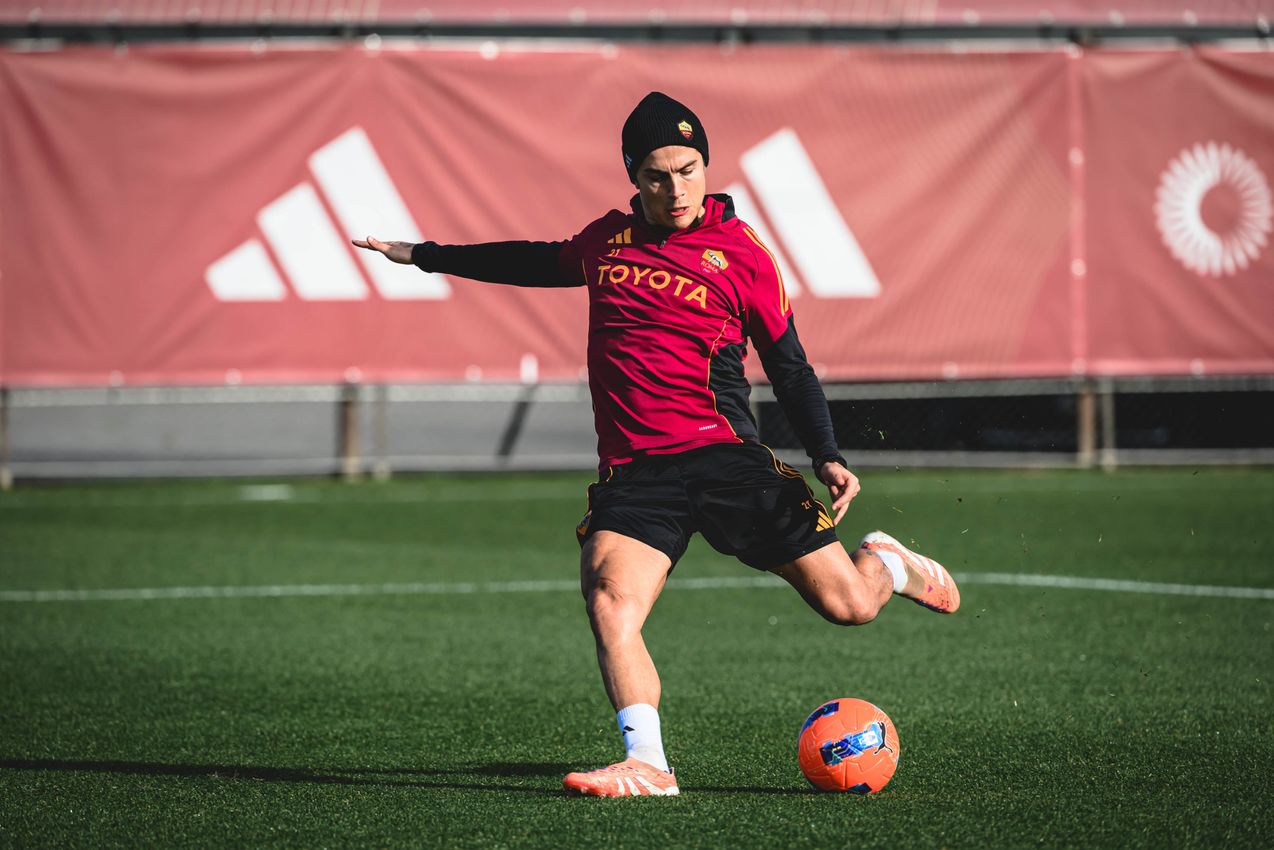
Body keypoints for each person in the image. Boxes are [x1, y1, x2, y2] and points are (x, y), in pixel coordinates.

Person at [354, 91, 960, 798]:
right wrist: (423, 256)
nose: (677, 189)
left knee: (850, 606)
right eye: (658, 175)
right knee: (611, 599)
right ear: (633, 176)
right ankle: (649, 763)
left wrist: (827, 453)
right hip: (638, 473)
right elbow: (532, 259)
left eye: (690, 168)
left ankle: (885, 562)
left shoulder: (741, 253)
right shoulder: (605, 243)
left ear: (707, 165)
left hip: (726, 457)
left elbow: (788, 363)